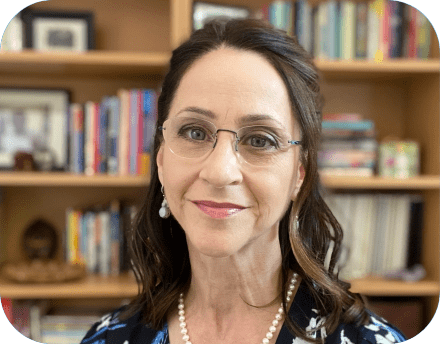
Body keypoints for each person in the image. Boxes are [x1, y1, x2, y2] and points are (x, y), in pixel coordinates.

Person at [80, 18, 407, 344]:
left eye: (260, 140)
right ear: (162, 159)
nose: (220, 173)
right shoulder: (107, 338)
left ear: (299, 172)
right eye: (195, 132)